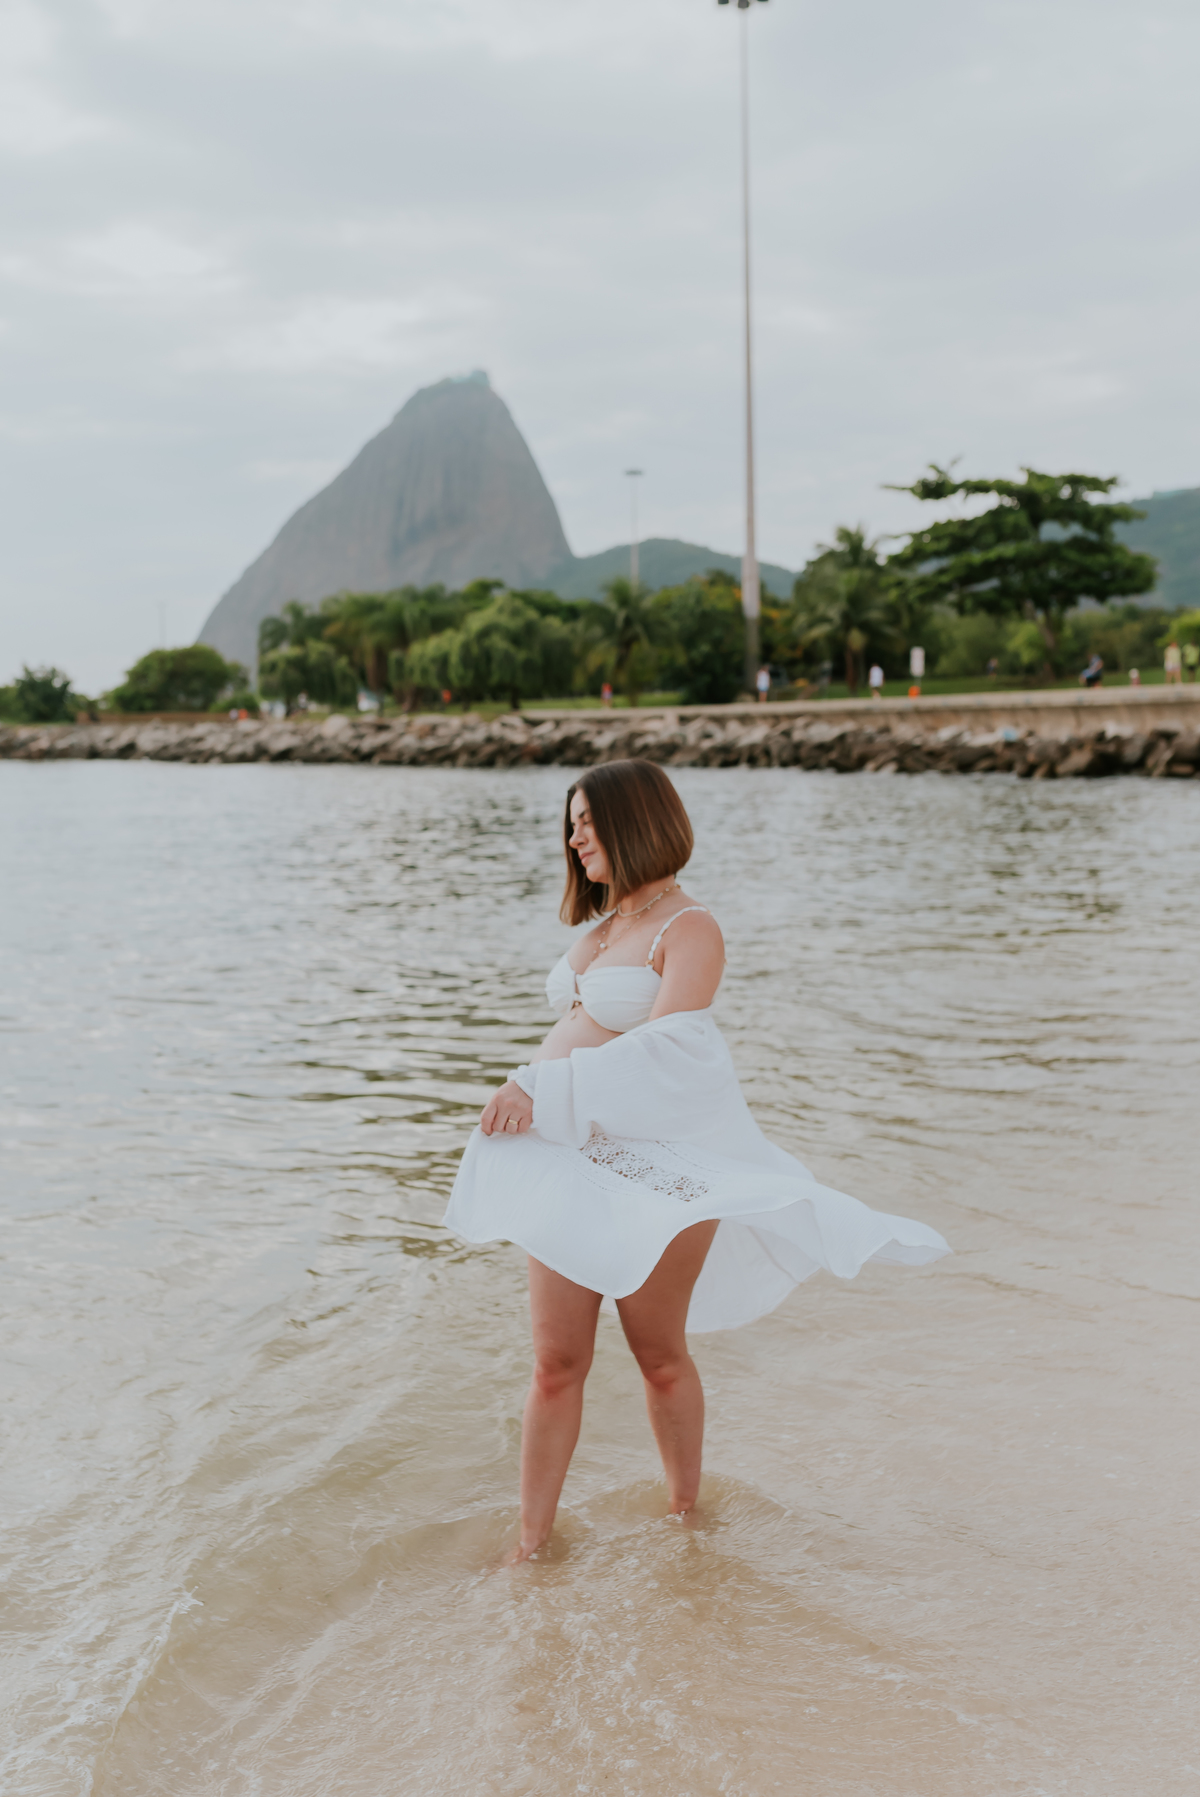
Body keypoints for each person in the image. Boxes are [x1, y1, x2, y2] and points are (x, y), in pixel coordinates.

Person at [444, 759, 950, 1564]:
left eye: (588, 820)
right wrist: (540, 1097)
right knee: (554, 1362)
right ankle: (529, 1544)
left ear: (637, 819)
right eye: (569, 822)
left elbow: (674, 1052)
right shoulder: (601, 930)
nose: (574, 836)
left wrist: (544, 1083)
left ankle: (686, 1518)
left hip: (658, 1173)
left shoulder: (691, 927)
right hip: (569, 1159)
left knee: (658, 1354)